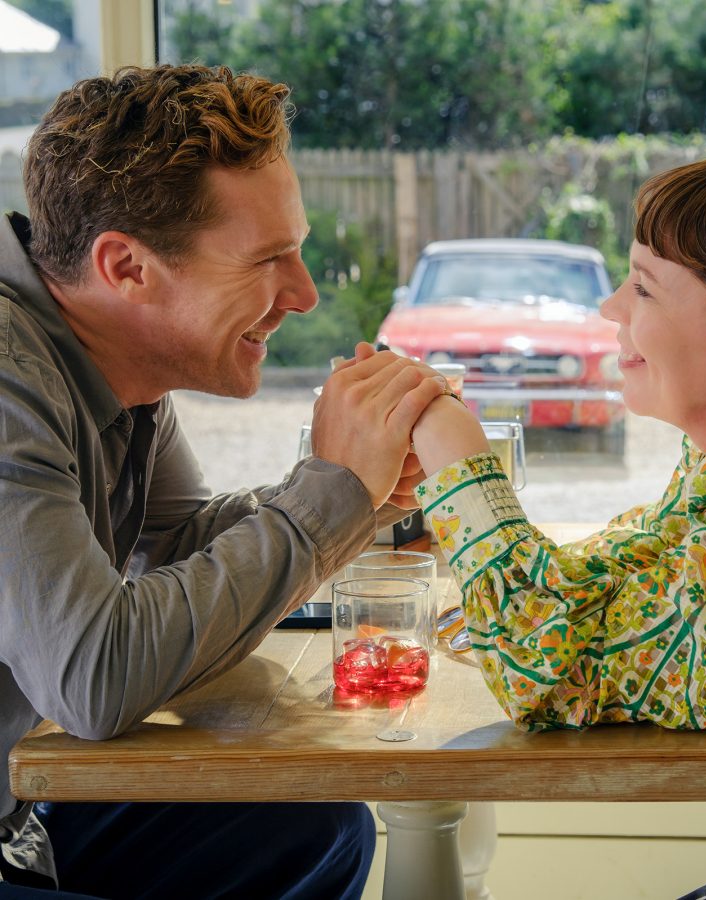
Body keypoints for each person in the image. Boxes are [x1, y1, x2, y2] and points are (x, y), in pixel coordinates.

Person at [0, 64, 449, 898]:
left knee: (316, 830)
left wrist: (363, 495)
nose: (306, 295)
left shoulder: (115, 364)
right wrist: (329, 493)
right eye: (269, 260)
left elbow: (169, 547)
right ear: (127, 267)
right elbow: (96, 675)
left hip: (18, 816)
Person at [404, 149, 706, 898]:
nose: (610, 310)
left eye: (642, 288)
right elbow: (605, 587)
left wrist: (455, 457)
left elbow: (549, 672)